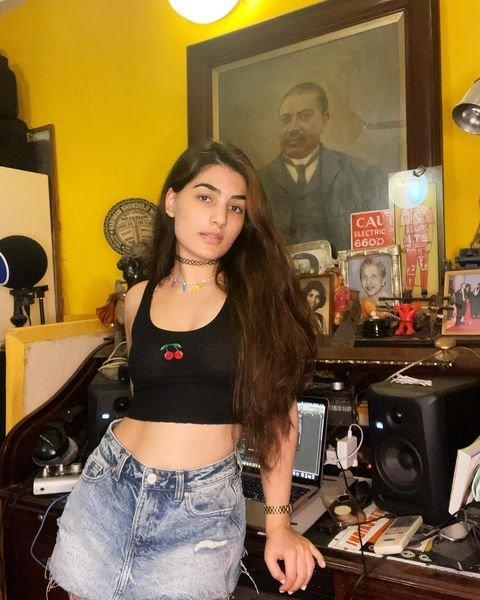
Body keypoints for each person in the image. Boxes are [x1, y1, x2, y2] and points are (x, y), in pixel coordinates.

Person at [47, 140, 325, 600]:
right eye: (205, 197)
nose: (219, 218)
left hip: (200, 510)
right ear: (172, 201)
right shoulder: (138, 298)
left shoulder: (257, 302)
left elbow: (280, 415)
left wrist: (279, 524)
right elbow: (149, 392)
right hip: (110, 487)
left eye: (235, 208)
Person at [259, 82, 386, 251]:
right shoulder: (257, 183)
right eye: (286, 119)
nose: (292, 128)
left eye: (304, 116)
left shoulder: (361, 176)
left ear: (324, 120)